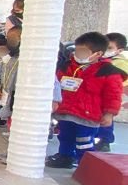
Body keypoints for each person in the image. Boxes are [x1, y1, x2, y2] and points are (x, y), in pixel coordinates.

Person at [46, 32, 126, 169]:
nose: (78, 54)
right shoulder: (67, 66)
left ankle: (85, 162)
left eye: (83, 51)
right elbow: (56, 85)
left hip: (88, 115)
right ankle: (65, 157)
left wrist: (109, 113)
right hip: (66, 111)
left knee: (84, 140)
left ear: (98, 53)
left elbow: (113, 95)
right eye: (77, 50)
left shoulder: (108, 72)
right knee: (65, 136)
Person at [94, 32, 128, 152]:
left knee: (106, 120)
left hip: (109, 97)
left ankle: (104, 140)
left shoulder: (119, 63)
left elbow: (117, 84)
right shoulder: (98, 59)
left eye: (109, 48)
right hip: (95, 96)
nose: (105, 50)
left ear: (119, 50)